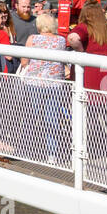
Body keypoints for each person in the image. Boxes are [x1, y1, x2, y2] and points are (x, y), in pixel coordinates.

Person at [15, 12, 72, 165]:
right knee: (52, 119)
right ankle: (52, 154)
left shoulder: (32, 39)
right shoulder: (61, 40)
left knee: (31, 117)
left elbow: (25, 60)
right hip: (55, 84)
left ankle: (27, 150)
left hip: (35, 83)